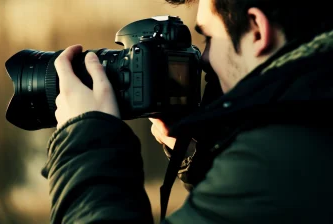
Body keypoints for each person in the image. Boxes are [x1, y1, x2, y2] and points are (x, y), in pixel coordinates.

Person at [41, 0, 333, 223]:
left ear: (256, 29)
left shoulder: (277, 156)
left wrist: (86, 139)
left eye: (208, 38)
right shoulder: (311, 117)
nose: (203, 59)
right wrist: (196, 152)